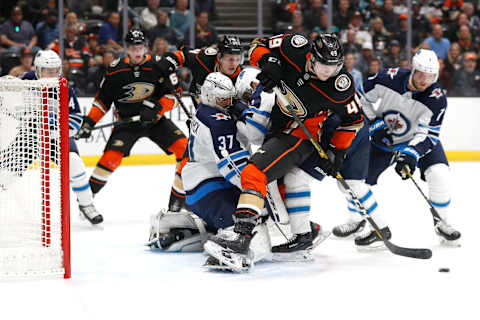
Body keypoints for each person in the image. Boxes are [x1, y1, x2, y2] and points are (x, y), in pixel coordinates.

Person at [203, 33, 364, 271]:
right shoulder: (295, 46)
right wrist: (270, 62)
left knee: (254, 174)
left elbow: (354, 119)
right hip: (277, 128)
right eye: (323, 65)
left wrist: (337, 151)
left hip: (299, 136)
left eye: (334, 66)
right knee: (277, 187)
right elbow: (258, 44)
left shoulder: (341, 85)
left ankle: (242, 239)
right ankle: (303, 235)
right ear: (311, 56)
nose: (328, 72)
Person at [335, 49, 461, 246]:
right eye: (420, 74)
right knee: (355, 180)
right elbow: (360, 98)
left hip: (416, 142)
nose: (424, 80)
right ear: (412, 69)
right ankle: (358, 220)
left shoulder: (436, 98)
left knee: (439, 173)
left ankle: (442, 222)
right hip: (383, 140)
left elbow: (428, 135)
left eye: (430, 76)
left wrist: (410, 154)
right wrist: (373, 123)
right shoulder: (387, 78)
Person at [75, 29, 190, 213]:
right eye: (133, 47)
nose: (138, 51)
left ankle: (179, 202)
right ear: (127, 48)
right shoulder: (115, 69)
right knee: (110, 159)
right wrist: (89, 122)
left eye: (140, 47)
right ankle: (86, 203)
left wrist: (156, 108)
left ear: (145, 47)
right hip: (126, 123)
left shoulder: (159, 66)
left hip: (155, 121)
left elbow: (175, 96)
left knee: (185, 151)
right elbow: (103, 101)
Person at [6, 50, 103, 224]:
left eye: (55, 70)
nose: (52, 75)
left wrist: (55, 132)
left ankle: (86, 204)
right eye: (47, 70)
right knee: (6, 170)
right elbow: (8, 104)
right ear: (37, 70)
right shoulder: (24, 82)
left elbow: (75, 119)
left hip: (56, 136)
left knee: (74, 163)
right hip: (29, 136)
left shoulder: (64, 87)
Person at [165, 35, 243, 104]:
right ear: (219, 57)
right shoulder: (204, 59)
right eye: (230, 59)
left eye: (238, 59)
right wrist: (166, 63)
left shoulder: (241, 76)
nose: (234, 64)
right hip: (200, 97)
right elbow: (181, 55)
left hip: (227, 105)